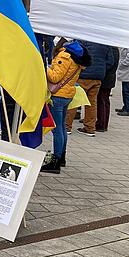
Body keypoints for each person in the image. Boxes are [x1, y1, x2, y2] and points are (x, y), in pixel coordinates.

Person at [43, 40, 90, 174]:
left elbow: (55, 77)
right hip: (67, 94)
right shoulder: (76, 56)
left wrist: (44, 67)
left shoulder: (64, 56)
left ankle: (55, 162)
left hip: (58, 95)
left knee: (57, 129)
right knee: (62, 127)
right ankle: (61, 156)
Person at [68, 40, 111, 136]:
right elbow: (110, 61)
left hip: (83, 74)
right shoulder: (105, 42)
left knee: (75, 100)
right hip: (98, 76)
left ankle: (67, 126)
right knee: (92, 102)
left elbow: (76, 54)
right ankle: (90, 127)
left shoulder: (83, 39)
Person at [96, 46, 120, 133]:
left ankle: (101, 124)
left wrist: (101, 69)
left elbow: (110, 64)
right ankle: (102, 122)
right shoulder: (114, 49)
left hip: (106, 78)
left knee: (102, 101)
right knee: (104, 101)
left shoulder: (111, 49)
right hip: (109, 78)